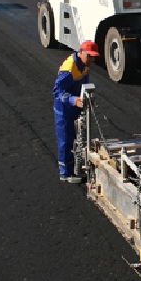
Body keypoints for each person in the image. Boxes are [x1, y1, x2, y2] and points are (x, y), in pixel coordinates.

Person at [53, 40, 100, 183]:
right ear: (81, 53)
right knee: (65, 141)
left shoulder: (84, 65)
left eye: (94, 57)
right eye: (90, 56)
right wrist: (73, 100)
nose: (92, 59)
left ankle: (76, 167)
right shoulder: (69, 69)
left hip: (77, 107)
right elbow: (57, 92)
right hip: (64, 111)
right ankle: (65, 173)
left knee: (77, 138)